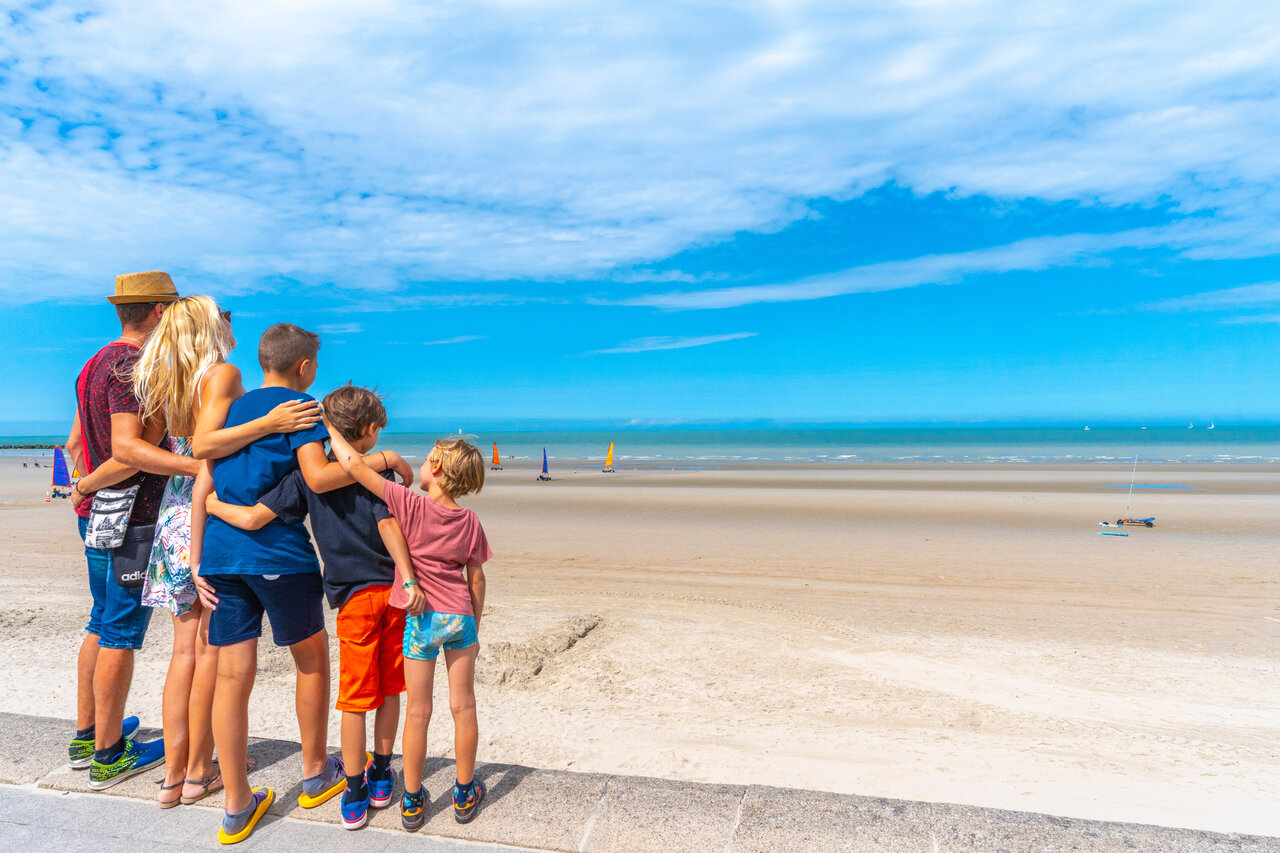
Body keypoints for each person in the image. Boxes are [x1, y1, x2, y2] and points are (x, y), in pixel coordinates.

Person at [74, 296, 326, 807]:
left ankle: (176, 776)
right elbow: (208, 448)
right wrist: (270, 423)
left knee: (184, 650)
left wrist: (85, 483)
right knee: (208, 652)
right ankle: (197, 770)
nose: (231, 324)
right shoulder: (222, 375)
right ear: (209, 328)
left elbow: (96, 442)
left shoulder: (160, 377)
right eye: (224, 317)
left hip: (172, 513)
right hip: (203, 511)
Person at [196, 324, 410, 844]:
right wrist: (384, 461)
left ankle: (236, 805)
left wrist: (198, 558)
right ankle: (315, 773)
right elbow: (317, 477)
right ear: (306, 367)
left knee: (231, 676)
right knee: (311, 661)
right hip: (278, 556)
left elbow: (204, 468)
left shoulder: (232, 407)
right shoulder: (303, 409)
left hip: (222, 556)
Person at [63, 272, 194, 790]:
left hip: (95, 514)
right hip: (133, 520)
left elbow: (75, 444)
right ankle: (109, 755)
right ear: (160, 311)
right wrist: (196, 466)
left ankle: (89, 735)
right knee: (119, 631)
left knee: (100, 623)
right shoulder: (133, 366)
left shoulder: (94, 363)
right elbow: (128, 450)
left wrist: (83, 487)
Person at [327, 426, 491, 830]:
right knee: (464, 707)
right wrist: (474, 628)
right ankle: (464, 791)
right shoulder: (470, 521)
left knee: (418, 711)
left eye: (427, 458)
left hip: (422, 619)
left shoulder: (410, 504)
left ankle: (413, 800)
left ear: (437, 468)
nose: (421, 463)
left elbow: (353, 466)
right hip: (460, 619)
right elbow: (476, 579)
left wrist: (329, 426)